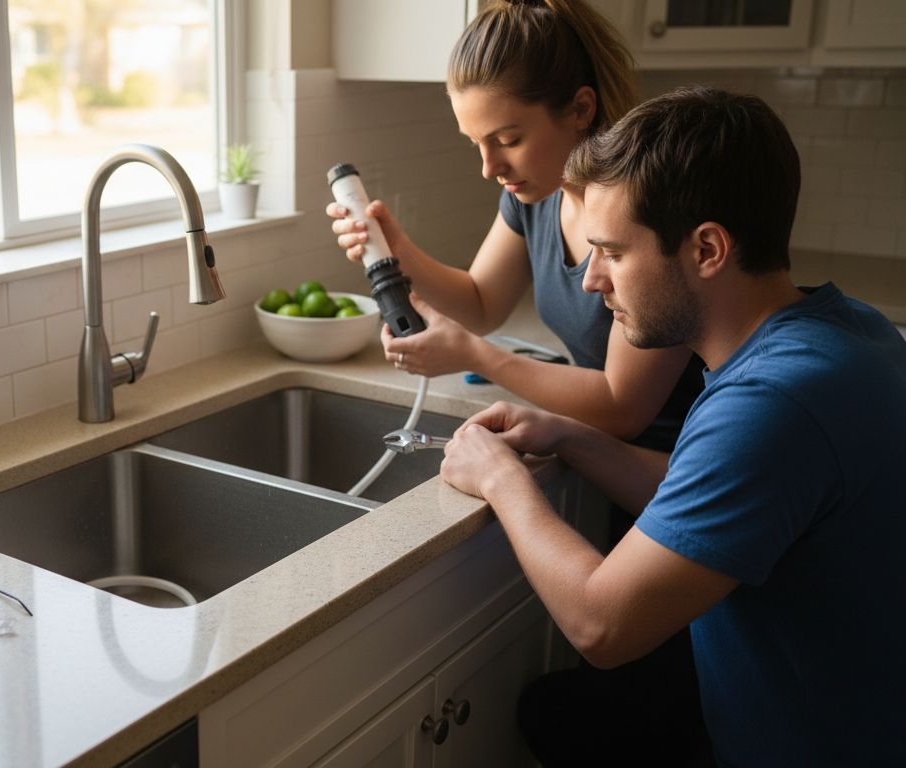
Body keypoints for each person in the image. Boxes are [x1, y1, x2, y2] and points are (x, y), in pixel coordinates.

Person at [441, 86, 906, 766]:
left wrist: (502, 480)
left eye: (614, 252)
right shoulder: (839, 330)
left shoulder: (775, 403)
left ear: (708, 249)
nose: (593, 280)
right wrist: (572, 437)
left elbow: (601, 626)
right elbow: (718, 498)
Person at [328, 1, 708, 763]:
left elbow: (624, 407)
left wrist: (483, 355)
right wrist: (394, 250)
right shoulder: (532, 197)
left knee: (664, 711)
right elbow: (479, 297)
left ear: (579, 110)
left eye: (506, 139)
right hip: (603, 463)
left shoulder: (636, 204)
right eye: (476, 143)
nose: (490, 166)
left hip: (675, 480)